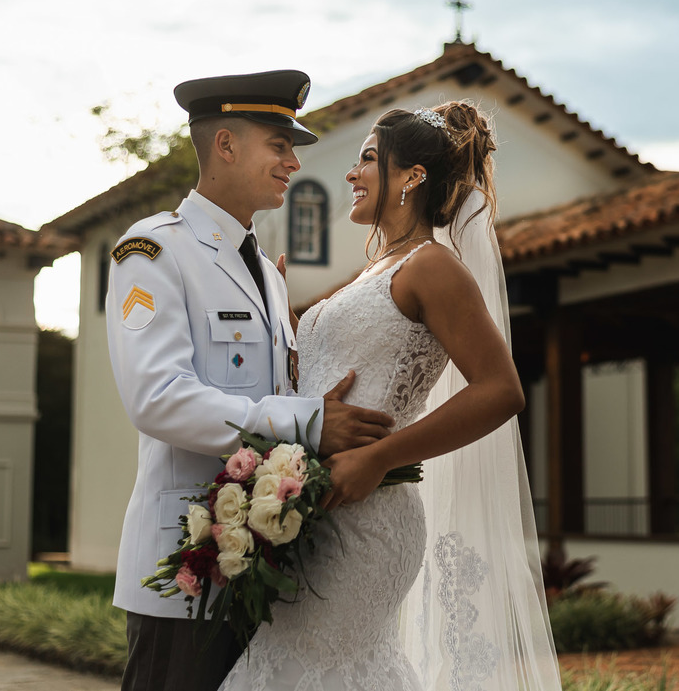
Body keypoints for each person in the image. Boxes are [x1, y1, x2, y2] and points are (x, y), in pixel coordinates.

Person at [220, 102, 561, 690]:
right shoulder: (376, 269)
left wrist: (380, 456)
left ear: (411, 178)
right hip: (312, 513)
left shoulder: (434, 267)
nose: (352, 175)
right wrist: (278, 313)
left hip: (367, 517)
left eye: (369, 160)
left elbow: (501, 389)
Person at [106, 70, 396, 691]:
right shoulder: (153, 252)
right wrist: (310, 421)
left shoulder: (265, 270)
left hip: (263, 562)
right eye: (279, 145)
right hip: (183, 567)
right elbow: (157, 400)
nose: (293, 161)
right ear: (226, 146)